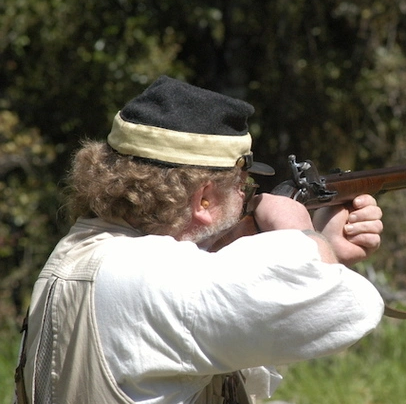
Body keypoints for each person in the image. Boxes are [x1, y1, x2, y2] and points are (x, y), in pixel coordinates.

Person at [14, 76, 385, 404]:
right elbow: (354, 307)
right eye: (243, 186)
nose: (248, 196)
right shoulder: (159, 278)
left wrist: (320, 246)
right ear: (204, 199)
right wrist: (302, 235)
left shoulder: (86, 251)